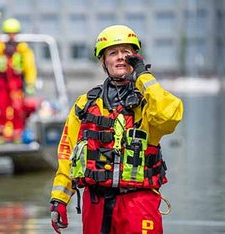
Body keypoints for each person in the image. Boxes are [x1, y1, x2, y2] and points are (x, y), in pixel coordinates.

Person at [49, 25, 183, 233]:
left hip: (138, 201)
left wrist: (143, 76)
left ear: (135, 57)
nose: (120, 57)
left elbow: (169, 117)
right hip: (96, 202)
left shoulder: (148, 101)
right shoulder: (85, 104)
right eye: (113, 52)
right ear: (103, 60)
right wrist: (59, 199)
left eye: (126, 52)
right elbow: (67, 153)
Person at [0, 18, 37, 143]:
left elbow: (30, 67)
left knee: (18, 109)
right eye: (9, 33)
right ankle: (3, 134)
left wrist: (30, 83)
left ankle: (17, 134)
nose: (12, 36)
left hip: (17, 84)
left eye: (14, 33)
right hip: (2, 84)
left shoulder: (23, 49)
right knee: (1, 109)